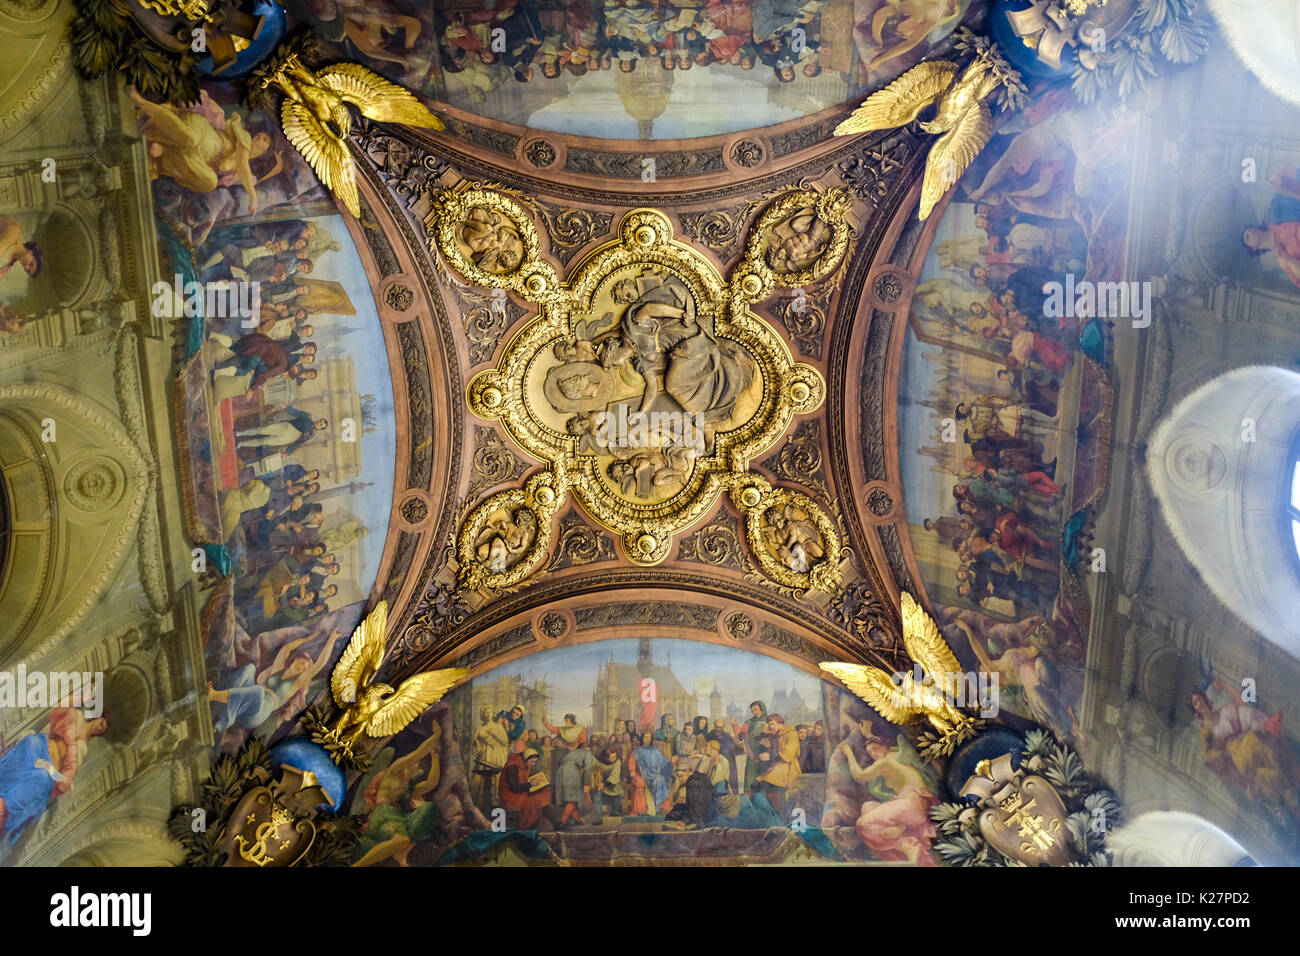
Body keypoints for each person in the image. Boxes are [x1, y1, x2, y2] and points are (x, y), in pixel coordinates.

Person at [0, 707, 109, 844]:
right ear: (97, 717)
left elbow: (63, 781)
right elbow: (59, 710)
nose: (99, 728)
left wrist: (48, 767)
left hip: (48, 769)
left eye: (102, 730)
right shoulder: (76, 716)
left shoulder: (82, 749)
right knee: (31, 742)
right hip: (41, 746)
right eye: (101, 724)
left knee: (41, 777)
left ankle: (4, 806)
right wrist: (83, 696)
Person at [836, 733, 938, 865]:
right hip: (913, 806)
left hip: (912, 802)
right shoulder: (895, 756)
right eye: (870, 752)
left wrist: (848, 752)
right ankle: (900, 828)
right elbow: (879, 742)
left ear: (885, 747)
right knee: (867, 807)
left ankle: (908, 846)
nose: (873, 754)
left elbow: (859, 776)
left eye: (875, 749)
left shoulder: (885, 761)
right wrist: (868, 734)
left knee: (862, 825)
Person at [498, 747, 557, 829]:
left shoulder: (524, 764)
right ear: (525, 759)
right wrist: (530, 784)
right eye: (532, 762)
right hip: (511, 798)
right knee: (539, 798)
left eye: (535, 762)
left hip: (520, 793)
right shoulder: (512, 767)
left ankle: (555, 823)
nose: (533, 764)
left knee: (545, 791)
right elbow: (515, 788)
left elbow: (525, 778)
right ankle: (555, 823)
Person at [756, 713, 801, 811]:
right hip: (777, 765)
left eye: (772, 724)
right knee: (756, 784)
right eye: (769, 725)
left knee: (767, 784)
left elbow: (789, 754)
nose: (771, 727)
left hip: (788, 765)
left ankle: (778, 811)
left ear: (780, 722)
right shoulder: (776, 735)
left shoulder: (791, 733)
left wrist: (770, 756)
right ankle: (770, 811)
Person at [471, 708, 510, 811]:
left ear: (493, 714)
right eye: (485, 712)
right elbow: (477, 744)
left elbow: (505, 742)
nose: (487, 714)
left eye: (489, 712)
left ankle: (494, 804)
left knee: (495, 778)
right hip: (483, 755)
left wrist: (494, 734)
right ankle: (480, 805)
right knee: (479, 780)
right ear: (483, 714)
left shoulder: (498, 726)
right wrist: (476, 746)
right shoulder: (480, 728)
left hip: (495, 755)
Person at [632, 730, 672, 813]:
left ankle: (658, 806)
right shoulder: (638, 751)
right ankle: (648, 807)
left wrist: (670, 762)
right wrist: (632, 770)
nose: (647, 739)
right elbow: (632, 762)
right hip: (642, 773)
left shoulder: (654, 750)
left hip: (655, 773)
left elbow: (662, 761)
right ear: (642, 738)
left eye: (649, 737)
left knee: (660, 780)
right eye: (646, 737)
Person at [592, 744, 624, 824]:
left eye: (615, 756)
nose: (614, 759)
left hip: (610, 784)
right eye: (612, 757)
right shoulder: (597, 759)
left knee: (621, 794)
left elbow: (614, 776)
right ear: (606, 757)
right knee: (596, 796)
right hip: (598, 783)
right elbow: (593, 771)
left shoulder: (617, 762)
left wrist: (604, 784)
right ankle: (598, 819)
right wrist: (597, 783)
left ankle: (613, 812)